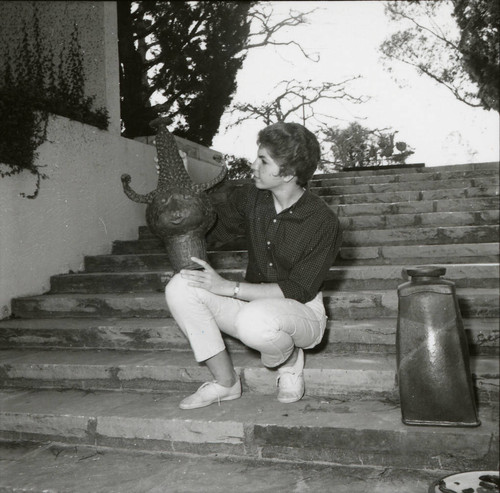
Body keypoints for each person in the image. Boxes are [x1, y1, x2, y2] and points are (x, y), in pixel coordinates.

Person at [165, 122, 342, 410]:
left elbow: (298, 289)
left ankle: (291, 359)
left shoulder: (322, 222)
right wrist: (180, 213)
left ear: (288, 172)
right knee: (181, 287)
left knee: (255, 321)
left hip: (303, 311)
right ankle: (225, 383)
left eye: (264, 161)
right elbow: (211, 233)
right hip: (251, 304)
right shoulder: (250, 198)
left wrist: (227, 287)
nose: (253, 165)